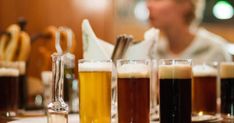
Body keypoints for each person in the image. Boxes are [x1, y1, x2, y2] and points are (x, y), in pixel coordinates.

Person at [147, 0, 232, 64]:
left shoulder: (214, 50)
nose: (149, 5)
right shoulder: (152, 50)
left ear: (185, 4)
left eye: (158, 0)